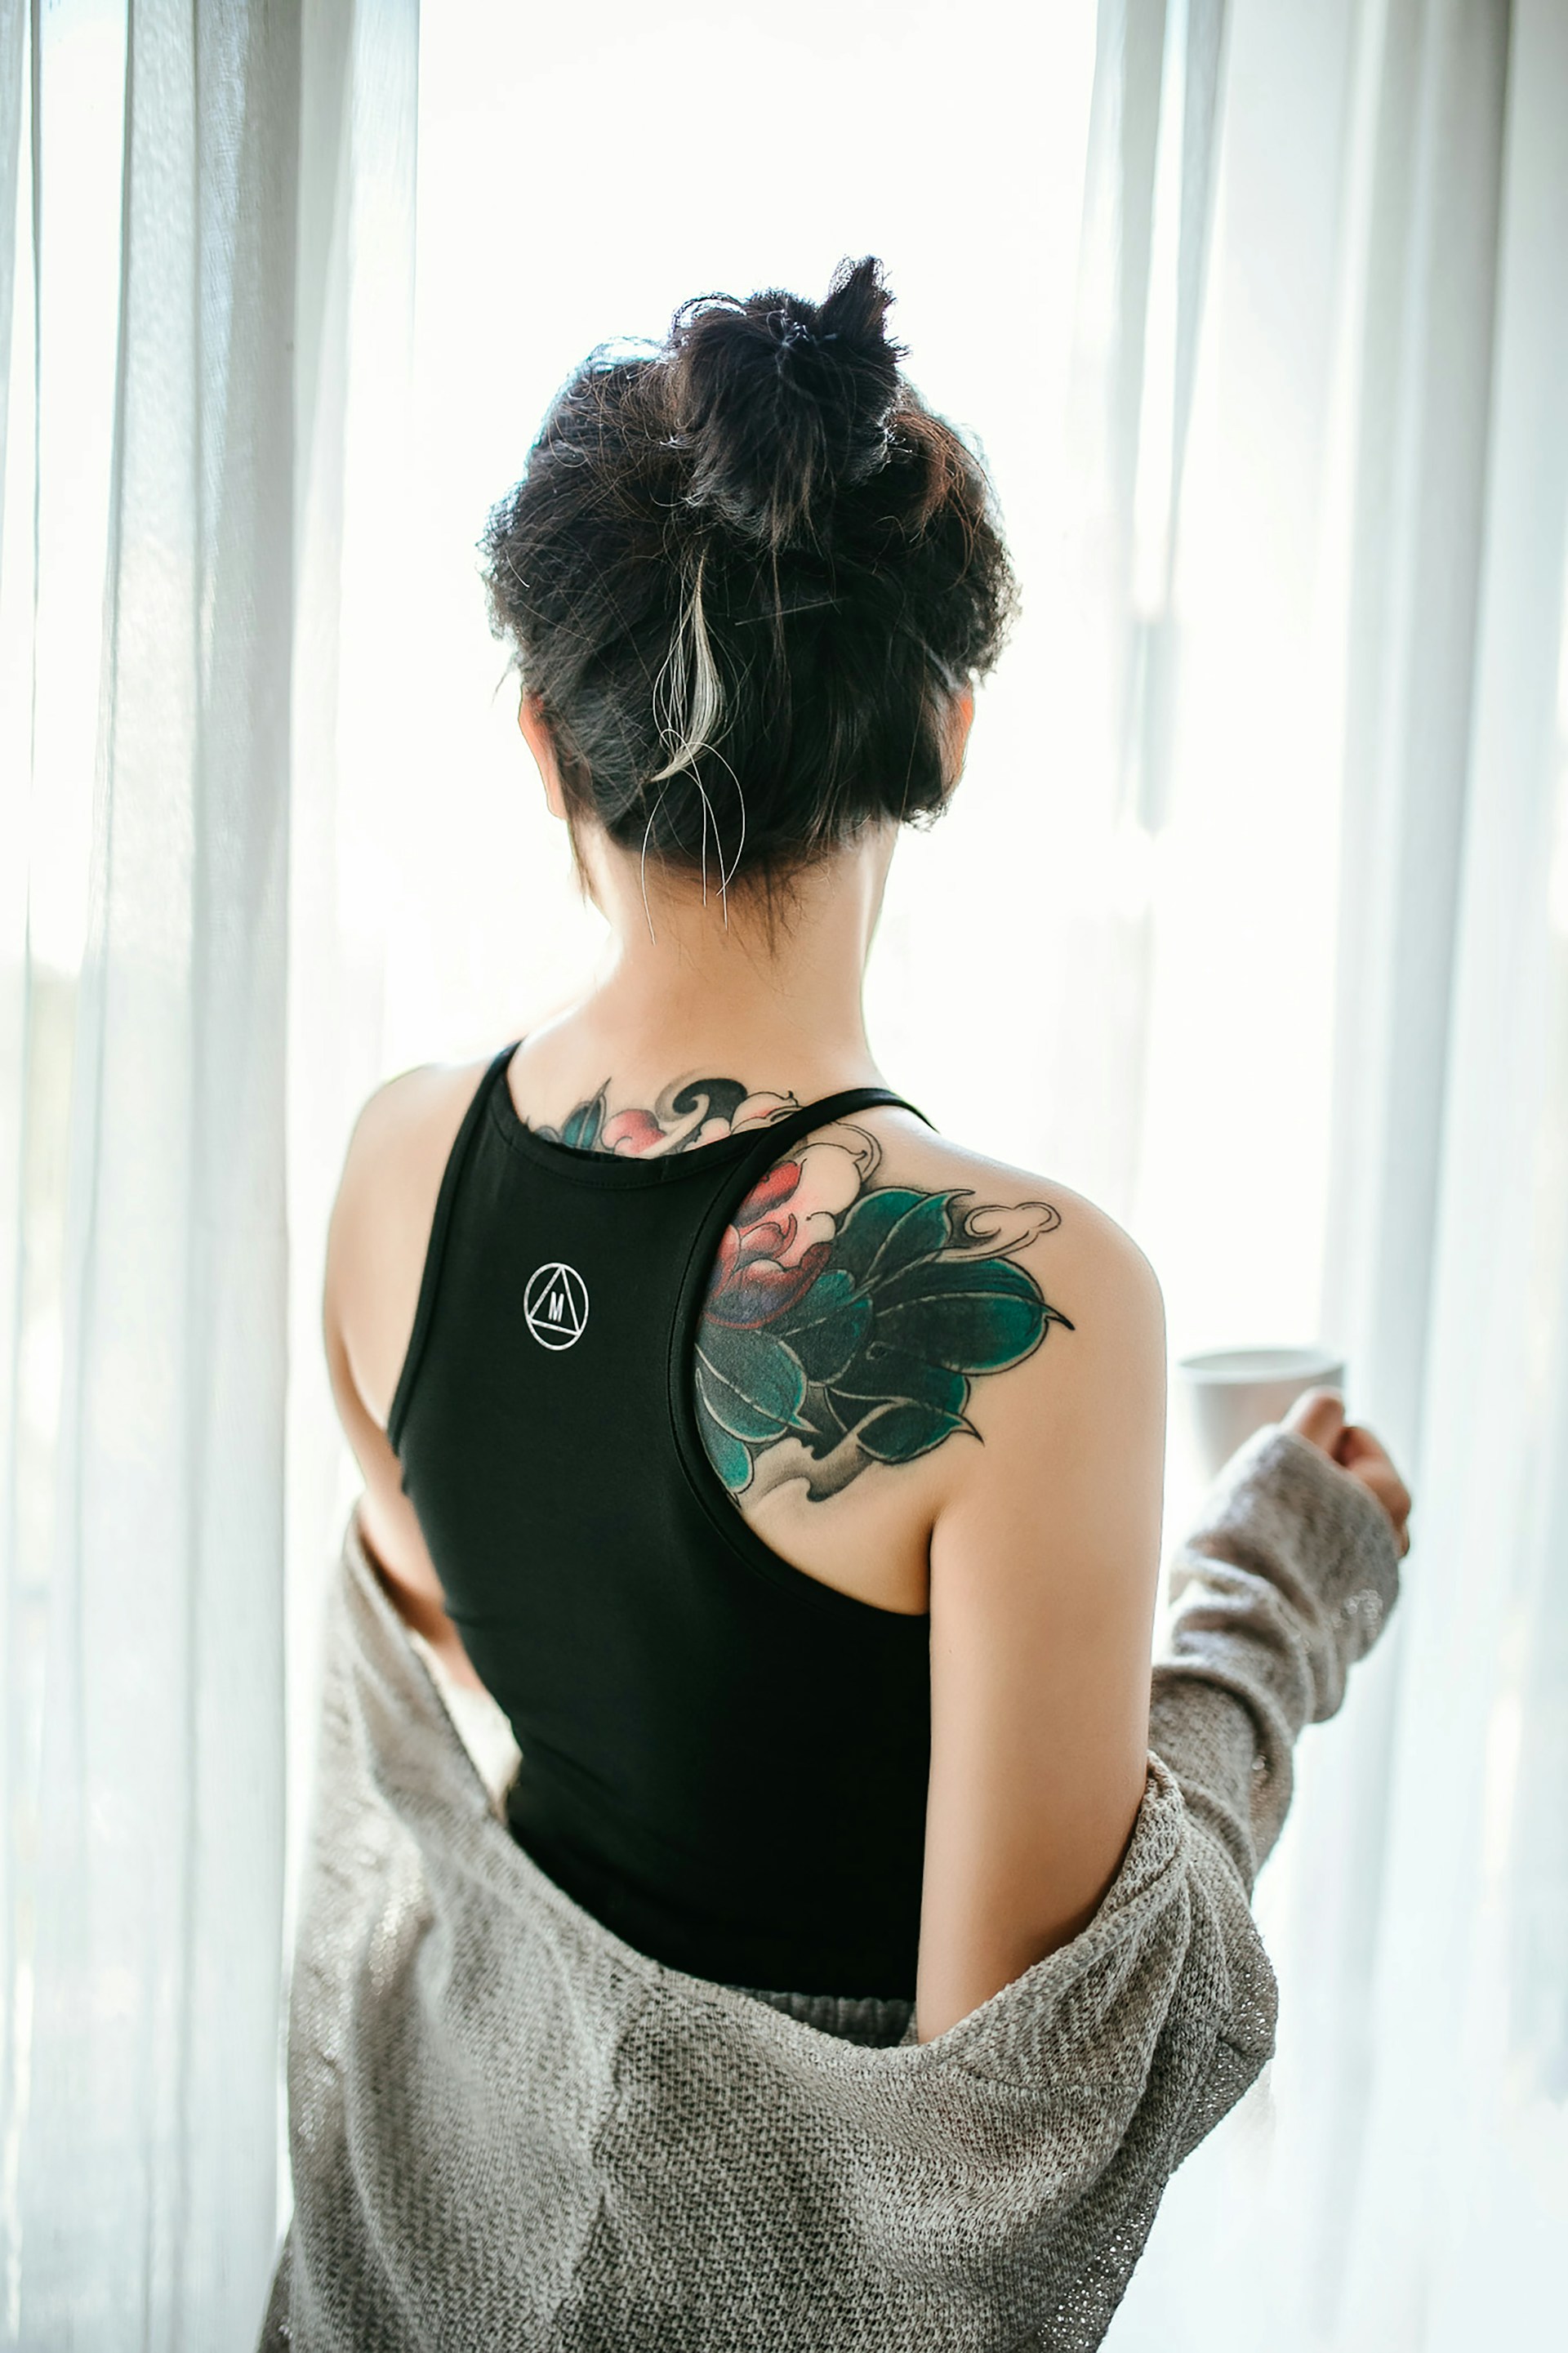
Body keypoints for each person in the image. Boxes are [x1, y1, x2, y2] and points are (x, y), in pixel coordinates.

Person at [321, 255, 1411, 2057]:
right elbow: (1014, 2113)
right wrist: (1281, 1592)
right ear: (949, 732)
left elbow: (489, 1660)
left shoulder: (390, 1167)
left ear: (542, 743)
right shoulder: (1046, 1301)